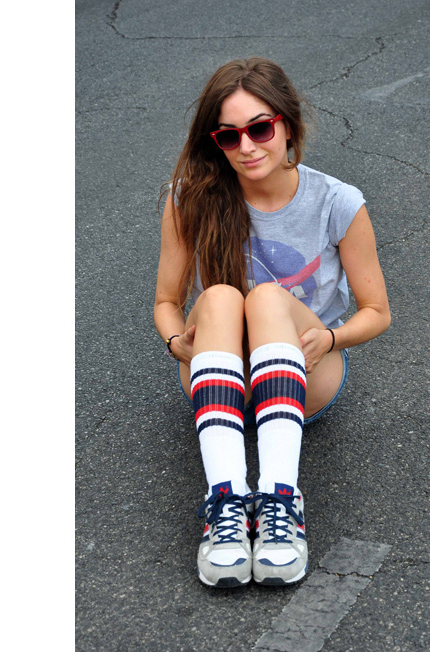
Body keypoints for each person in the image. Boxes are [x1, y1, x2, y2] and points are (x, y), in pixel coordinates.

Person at [154, 57, 390, 588]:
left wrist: (331, 337)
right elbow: (167, 301)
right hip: (219, 373)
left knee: (264, 298)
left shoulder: (337, 202)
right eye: (228, 136)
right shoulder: (191, 198)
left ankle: (282, 502)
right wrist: (175, 342)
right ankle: (226, 505)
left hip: (306, 372)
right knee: (219, 296)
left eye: (260, 128)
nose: (247, 146)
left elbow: (378, 312)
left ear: (288, 125)